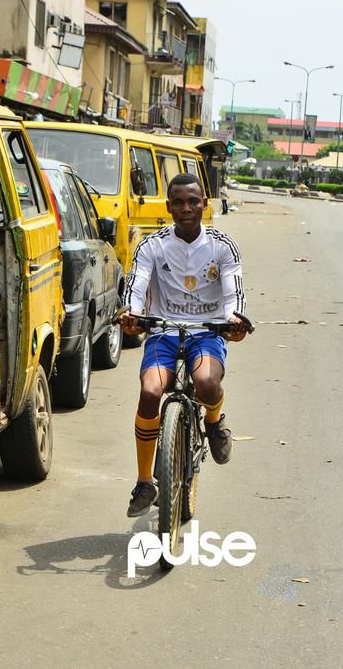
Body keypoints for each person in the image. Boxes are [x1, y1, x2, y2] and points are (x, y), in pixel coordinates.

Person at [119, 173, 249, 517]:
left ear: (204, 204)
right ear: (169, 206)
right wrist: (131, 312)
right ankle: (145, 481)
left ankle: (214, 420)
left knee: (207, 383)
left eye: (193, 201)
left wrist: (234, 319)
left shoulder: (222, 245)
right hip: (162, 331)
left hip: (206, 333)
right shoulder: (152, 245)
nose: (186, 208)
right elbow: (136, 284)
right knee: (149, 392)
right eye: (178, 202)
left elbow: (234, 291)